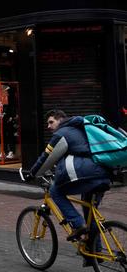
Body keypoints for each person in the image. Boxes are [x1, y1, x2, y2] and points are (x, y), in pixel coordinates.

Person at [26, 110, 111, 265]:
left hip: (88, 174)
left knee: (55, 191)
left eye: (51, 122)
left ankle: (78, 225)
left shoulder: (62, 133)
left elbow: (47, 157)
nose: (49, 126)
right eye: (47, 123)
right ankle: (95, 252)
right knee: (89, 211)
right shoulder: (81, 129)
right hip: (103, 175)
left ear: (60, 120)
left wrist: (32, 174)